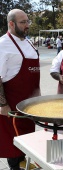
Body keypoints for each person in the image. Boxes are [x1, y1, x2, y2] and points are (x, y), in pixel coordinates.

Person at [0, 9, 41, 170]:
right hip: (12, 108)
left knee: (27, 142)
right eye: (23, 22)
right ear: (11, 24)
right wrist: (2, 104)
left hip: (30, 106)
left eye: (27, 21)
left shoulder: (28, 42)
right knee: (14, 148)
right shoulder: (3, 45)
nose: (27, 25)